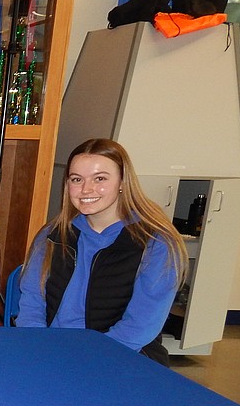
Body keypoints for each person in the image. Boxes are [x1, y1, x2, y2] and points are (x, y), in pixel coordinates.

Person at [16, 137, 187, 363]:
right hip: (51, 353)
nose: (86, 189)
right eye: (77, 179)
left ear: (123, 182)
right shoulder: (51, 236)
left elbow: (140, 327)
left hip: (120, 358)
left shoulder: (157, 242)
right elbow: (31, 306)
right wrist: (39, 349)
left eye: (100, 179)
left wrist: (84, 360)